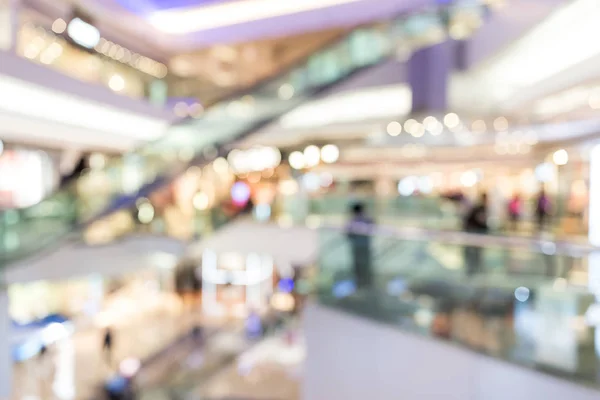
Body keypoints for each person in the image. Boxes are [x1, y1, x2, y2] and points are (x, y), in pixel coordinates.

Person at [346, 203, 374, 289]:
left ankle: (362, 284)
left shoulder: (354, 221)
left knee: (359, 266)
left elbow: (348, 233)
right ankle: (364, 284)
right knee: (363, 266)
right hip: (363, 247)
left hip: (359, 247)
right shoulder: (367, 219)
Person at [463, 193, 489, 276]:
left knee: (475, 251)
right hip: (474, 232)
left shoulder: (479, 207)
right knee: (473, 251)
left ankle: (474, 268)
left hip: (474, 231)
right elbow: (480, 219)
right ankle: (473, 269)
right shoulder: (480, 207)